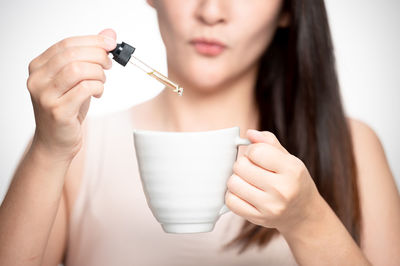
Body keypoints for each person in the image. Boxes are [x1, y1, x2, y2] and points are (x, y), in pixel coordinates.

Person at [1, 0, 399, 265]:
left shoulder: (354, 148)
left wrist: (309, 220)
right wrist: (48, 150)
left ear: (288, 10)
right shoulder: (73, 147)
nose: (211, 12)